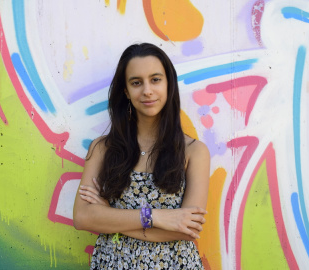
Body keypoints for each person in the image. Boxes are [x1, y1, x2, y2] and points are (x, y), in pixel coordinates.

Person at [73, 43, 210, 269]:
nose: (147, 90)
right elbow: (82, 217)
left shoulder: (194, 151)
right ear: (126, 91)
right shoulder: (102, 148)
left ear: (168, 84)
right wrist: (155, 217)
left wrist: (109, 217)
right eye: (136, 83)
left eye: (155, 79)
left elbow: (189, 230)